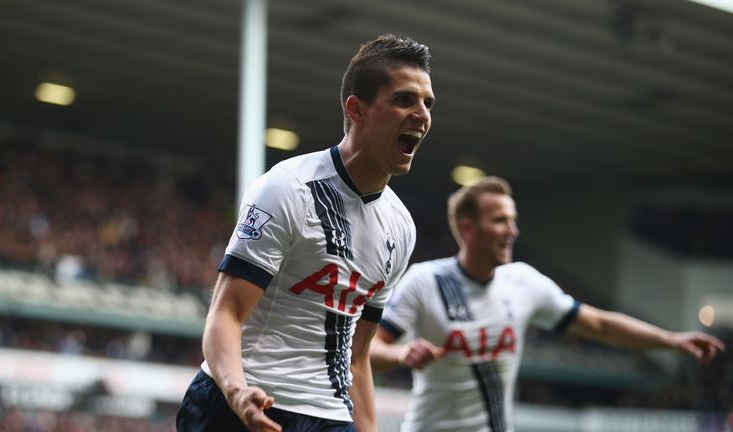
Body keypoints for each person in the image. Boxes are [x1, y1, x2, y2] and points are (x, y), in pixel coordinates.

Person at [176, 33, 435, 432]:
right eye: (404, 100)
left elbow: (358, 356)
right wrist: (237, 391)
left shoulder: (401, 228)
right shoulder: (287, 188)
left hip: (329, 416)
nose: (421, 114)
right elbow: (225, 313)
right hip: (242, 405)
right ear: (357, 109)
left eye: (427, 103)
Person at [370, 176, 725, 432]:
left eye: (513, 220)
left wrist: (670, 340)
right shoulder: (425, 281)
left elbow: (599, 324)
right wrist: (402, 355)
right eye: (500, 221)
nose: (512, 230)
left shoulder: (523, 281)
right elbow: (370, 350)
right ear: (467, 228)